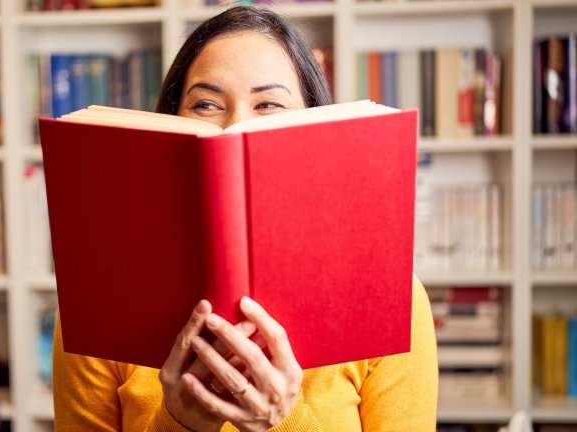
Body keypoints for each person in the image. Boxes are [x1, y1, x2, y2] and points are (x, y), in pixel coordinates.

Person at [53, 5, 438, 431]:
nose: (236, 125)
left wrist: (283, 418)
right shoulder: (99, 306)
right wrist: (179, 423)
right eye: (205, 104)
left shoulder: (392, 302)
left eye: (268, 103)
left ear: (314, 123)